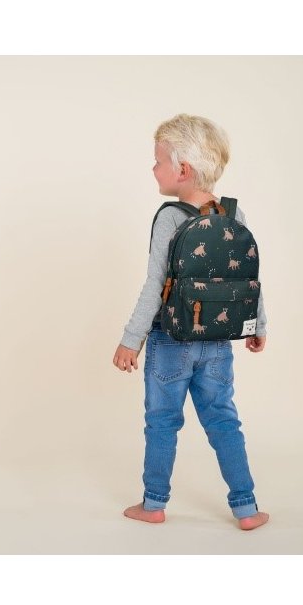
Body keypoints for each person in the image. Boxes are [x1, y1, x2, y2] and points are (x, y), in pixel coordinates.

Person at [112, 114, 270, 531]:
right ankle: (247, 508)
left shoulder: (169, 217)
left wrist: (131, 339)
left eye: (158, 160)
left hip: (171, 340)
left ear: (182, 169)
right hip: (218, 340)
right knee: (224, 420)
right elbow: (248, 278)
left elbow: (155, 285)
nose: (153, 168)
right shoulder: (232, 213)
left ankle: (153, 504)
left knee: (162, 422)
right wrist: (256, 325)